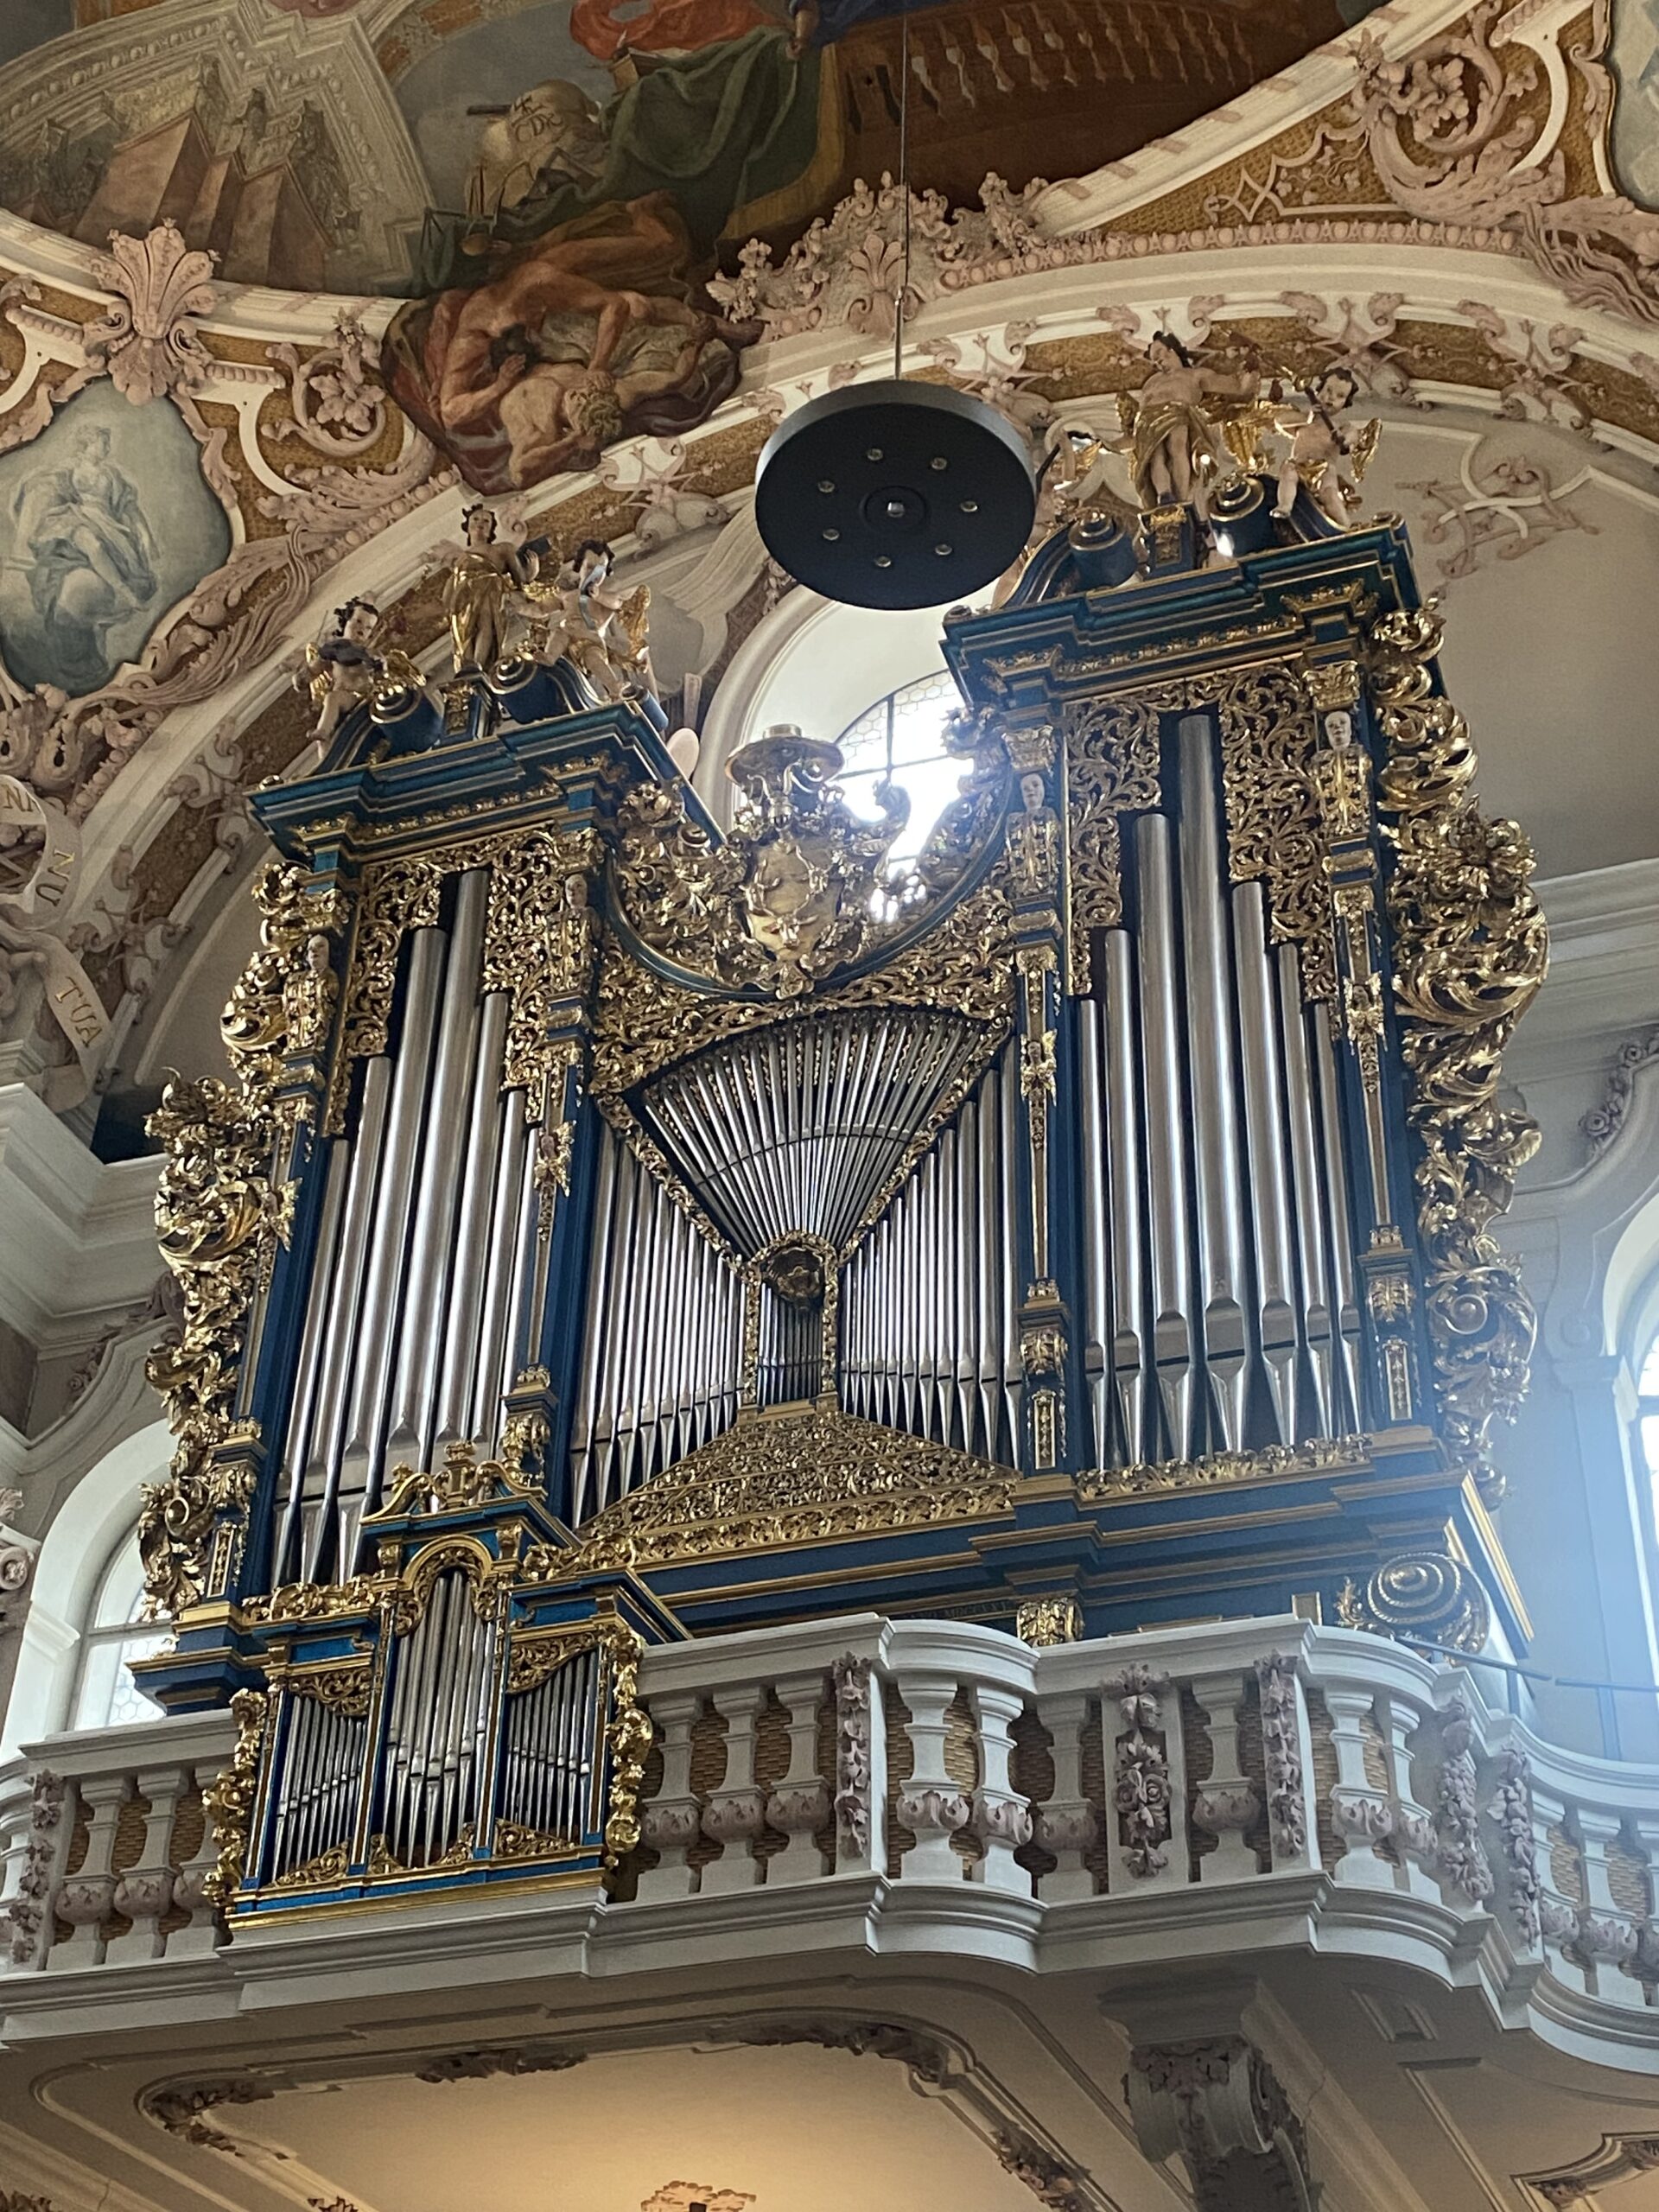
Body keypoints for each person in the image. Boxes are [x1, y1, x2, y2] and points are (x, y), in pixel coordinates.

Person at [10, 426, 158, 692]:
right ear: (86, 446)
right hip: (75, 518)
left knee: (100, 544)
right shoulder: (69, 470)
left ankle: (121, 588)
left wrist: (146, 536)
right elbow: (43, 488)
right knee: (94, 545)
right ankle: (123, 590)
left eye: (106, 444)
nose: (105, 448)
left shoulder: (112, 475)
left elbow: (130, 509)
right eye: (101, 444)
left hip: (107, 524)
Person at [1115, 334, 1257, 518]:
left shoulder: (1195, 375)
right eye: (1153, 358)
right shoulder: (1151, 382)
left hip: (1177, 412)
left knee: (1177, 447)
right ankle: (1164, 496)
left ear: (1172, 350)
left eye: (1158, 352)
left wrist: (1251, 366)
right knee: (1155, 458)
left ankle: (1181, 501)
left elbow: (1237, 387)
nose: (1156, 360)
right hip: (1147, 422)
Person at [1272, 367, 1377, 527]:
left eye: (1340, 396)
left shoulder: (1342, 426)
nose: (1331, 397)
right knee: (1288, 474)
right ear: (1319, 390)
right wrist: (1307, 418)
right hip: (1298, 463)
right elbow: (1279, 421)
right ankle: (1285, 506)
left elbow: (1352, 437)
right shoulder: (1303, 420)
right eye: (1328, 390)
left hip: (1324, 468)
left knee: (1329, 494)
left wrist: (1343, 440)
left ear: (1345, 403)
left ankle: (1346, 527)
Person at [443, 505, 535, 672]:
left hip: (489, 588)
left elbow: (519, 578)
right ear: (468, 525)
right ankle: (467, 665)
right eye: (476, 519)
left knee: (486, 623)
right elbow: (450, 588)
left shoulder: (502, 549)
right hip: (463, 596)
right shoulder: (460, 559)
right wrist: (449, 606)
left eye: (486, 521)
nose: (480, 524)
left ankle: (478, 665)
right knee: (464, 633)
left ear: (491, 528)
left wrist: (530, 573)